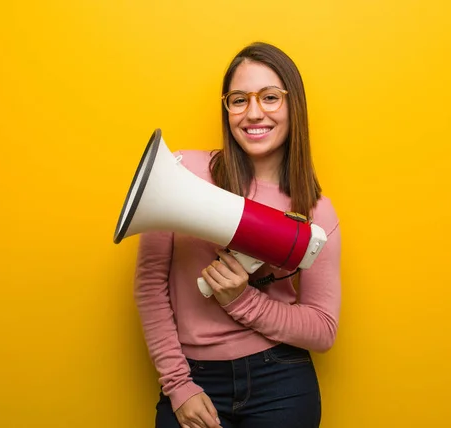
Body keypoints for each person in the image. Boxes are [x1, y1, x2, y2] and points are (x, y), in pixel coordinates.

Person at [134, 41, 341, 428]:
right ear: (226, 108)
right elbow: (149, 286)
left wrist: (242, 300)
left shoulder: (314, 211)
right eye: (239, 99)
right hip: (194, 379)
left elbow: (322, 329)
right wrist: (179, 386)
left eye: (270, 97)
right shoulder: (181, 175)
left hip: (281, 383)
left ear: (293, 105)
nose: (254, 112)